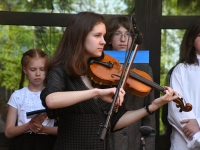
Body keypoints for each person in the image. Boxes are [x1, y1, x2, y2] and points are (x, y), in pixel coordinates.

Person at [40, 11, 179, 150]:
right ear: (80, 36)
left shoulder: (99, 73)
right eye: (97, 36)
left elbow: (115, 122)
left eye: (104, 36)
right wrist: (96, 93)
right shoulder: (61, 70)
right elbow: (51, 100)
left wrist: (151, 107)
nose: (103, 41)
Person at [104, 16, 155, 150]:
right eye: (117, 34)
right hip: (106, 139)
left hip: (134, 140)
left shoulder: (144, 70)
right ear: (108, 38)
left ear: (134, 39)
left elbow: (150, 113)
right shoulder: (100, 68)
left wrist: (148, 146)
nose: (123, 39)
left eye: (128, 34)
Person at [5, 48, 57, 150]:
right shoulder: (17, 95)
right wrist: (29, 125)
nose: (38, 74)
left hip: (47, 144)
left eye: (42, 69)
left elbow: (63, 130)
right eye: (33, 69)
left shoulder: (54, 95)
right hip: (22, 145)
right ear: (25, 70)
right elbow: (8, 132)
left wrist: (43, 128)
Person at [167, 19, 200, 150]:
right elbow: (176, 106)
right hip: (183, 143)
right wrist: (196, 136)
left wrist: (198, 123)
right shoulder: (181, 69)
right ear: (192, 40)